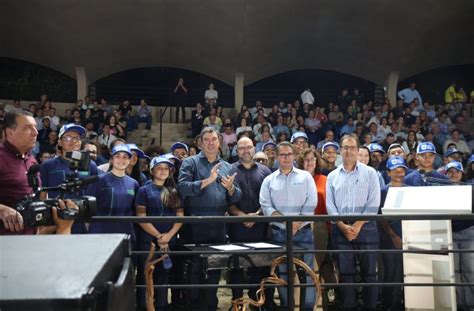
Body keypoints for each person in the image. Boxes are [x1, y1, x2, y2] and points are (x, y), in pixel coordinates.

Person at [178, 127, 241, 310]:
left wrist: (231, 188)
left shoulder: (227, 166)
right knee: (195, 273)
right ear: (200, 142)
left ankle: (211, 305)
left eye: (214, 139)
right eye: (207, 139)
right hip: (195, 228)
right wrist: (208, 180)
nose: (211, 143)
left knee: (214, 271)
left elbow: (236, 197)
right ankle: (195, 306)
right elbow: (182, 187)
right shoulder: (190, 162)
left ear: (219, 142)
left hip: (218, 228)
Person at [260, 141, 318, 310]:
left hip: (304, 232)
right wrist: (286, 223)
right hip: (279, 233)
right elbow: (266, 206)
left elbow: (311, 202)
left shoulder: (305, 177)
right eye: (282, 154)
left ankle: (307, 308)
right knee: (283, 274)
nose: (286, 158)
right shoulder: (268, 180)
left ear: (294, 156)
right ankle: (287, 306)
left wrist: (296, 224)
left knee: (308, 273)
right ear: (277, 157)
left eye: (289, 154)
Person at [326, 134, 381, 310]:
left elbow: (374, 203)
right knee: (345, 273)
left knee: (370, 273)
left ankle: (371, 307)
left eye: (352, 147)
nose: (348, 151)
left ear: (358, 150)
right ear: (340, 150)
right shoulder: (332, 176)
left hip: (366, 226)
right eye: (345, 147)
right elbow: (330, 204)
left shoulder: (370, 173)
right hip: (340, 228)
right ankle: (348, 307)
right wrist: (341, 225)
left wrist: (357, 225)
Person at [0, 111, 77, 235]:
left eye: (35, 127)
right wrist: (2, 209)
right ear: (10, 132)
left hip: (30, 239)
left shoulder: (31, 159)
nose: (35, 132)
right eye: (28, 128)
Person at [228, 137, 274, 309]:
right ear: (236, 150)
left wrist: (256, 215)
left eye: (248, 147)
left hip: (260, 226)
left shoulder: (266, 171)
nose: (245, 151)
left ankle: (256, 303)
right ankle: (237, 304)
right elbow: (226, 199)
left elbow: (270, 198)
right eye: (241, 148)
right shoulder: (229, 169)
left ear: (254, 148)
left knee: (259, 267)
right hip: (236, 227)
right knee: (236, 268)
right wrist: (241, 215)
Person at [135, 156, 183, 310]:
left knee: (164, 277)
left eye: (166, 168)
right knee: (145, 276)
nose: (163, 171)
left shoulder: (174, 191)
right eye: (159, 167)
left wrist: (168, 236)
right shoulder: (144, 190)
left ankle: (161, 306)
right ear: (152, 170)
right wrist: (158, 236)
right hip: (148, 241)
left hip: (169, 241)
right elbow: (141, 217)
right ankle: (144, 307)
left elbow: (180, 216)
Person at [39, 123, 98, 234]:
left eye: (77, 138)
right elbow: (43, 193)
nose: (74, 141)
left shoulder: (91, 165)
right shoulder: (48, 165)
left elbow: (92, 192)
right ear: (60, 142)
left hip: (81, 218)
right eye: (68, 137)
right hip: (57, 217)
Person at [444, 160, 474, 311]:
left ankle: (470, 305)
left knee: (469, 269)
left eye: (456, 171)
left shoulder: (470, 188)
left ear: (462, 173)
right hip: (450, 232)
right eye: (450, 171)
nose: (453, 174)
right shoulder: (442, 190)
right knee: (454, 270)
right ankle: (460, 304)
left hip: (468, 232)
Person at [379, 156, 408, 311]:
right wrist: (393, 236)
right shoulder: (383, 191)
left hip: (410, 237)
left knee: (408, 272)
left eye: (401, 169)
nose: (399, 173)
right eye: (395, 170)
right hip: (390, 239)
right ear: (388, 173)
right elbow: (380, 217)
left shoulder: (410, 190)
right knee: (391, 273)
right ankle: (390, 305)